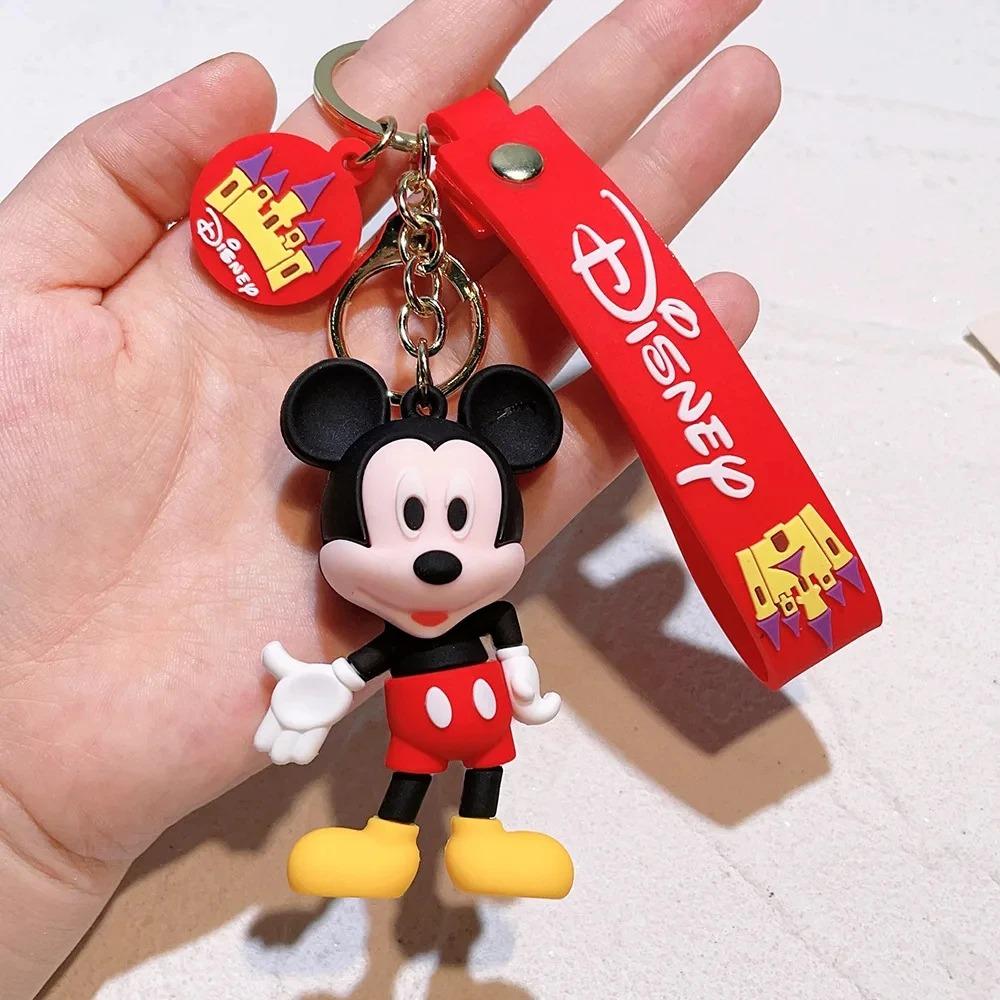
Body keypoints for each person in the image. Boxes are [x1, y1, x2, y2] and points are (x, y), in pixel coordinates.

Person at [0, 0, 779, 995]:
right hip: (420, 712)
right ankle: (388, 840)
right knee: (409, 778)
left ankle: (483, 839)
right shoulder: (392, 614)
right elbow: (367, 656)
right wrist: (321, 686)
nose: (442, 555)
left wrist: (522, 678)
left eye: (458, 525)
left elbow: (499, 627)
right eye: (413, 524)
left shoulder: (477, 604)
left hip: (478, 714)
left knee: (480, 773)